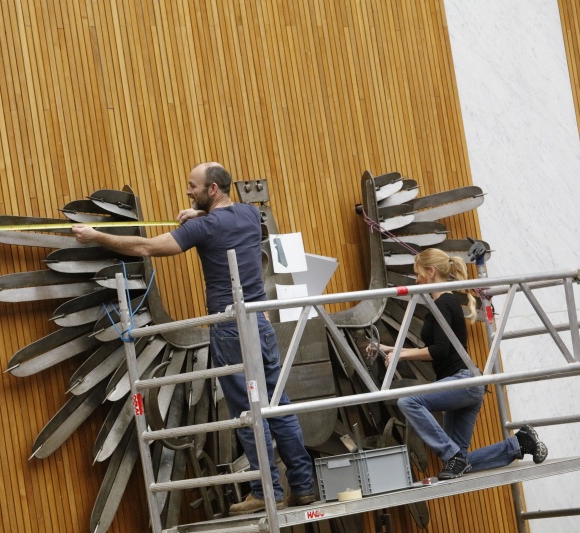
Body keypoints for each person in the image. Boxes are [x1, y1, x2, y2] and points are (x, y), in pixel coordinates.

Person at [72, 162, 316, 514]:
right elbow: (219, 221)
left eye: (193, 186)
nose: (187, 191)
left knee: (247, 412)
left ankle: (267, 492)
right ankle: (303, 487)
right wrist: (197, 214)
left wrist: (97, 236)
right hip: (260, 323)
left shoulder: (206, 226)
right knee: (278, 404)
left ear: (212, 189)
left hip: (231, 328)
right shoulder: (249, 214)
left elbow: (145, 248)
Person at [368, 249, 548, 480]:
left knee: (408, 401)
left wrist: (400, 356)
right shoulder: (444, 303)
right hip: (465, 385)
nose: (416, 279)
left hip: (463, 382)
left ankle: (453, 456)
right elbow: (442, 348)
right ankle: (519, 444)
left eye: (418, 273)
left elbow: (439, 351)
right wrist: (388, 349)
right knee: (461, 462)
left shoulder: (444, 303)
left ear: (431, 272)